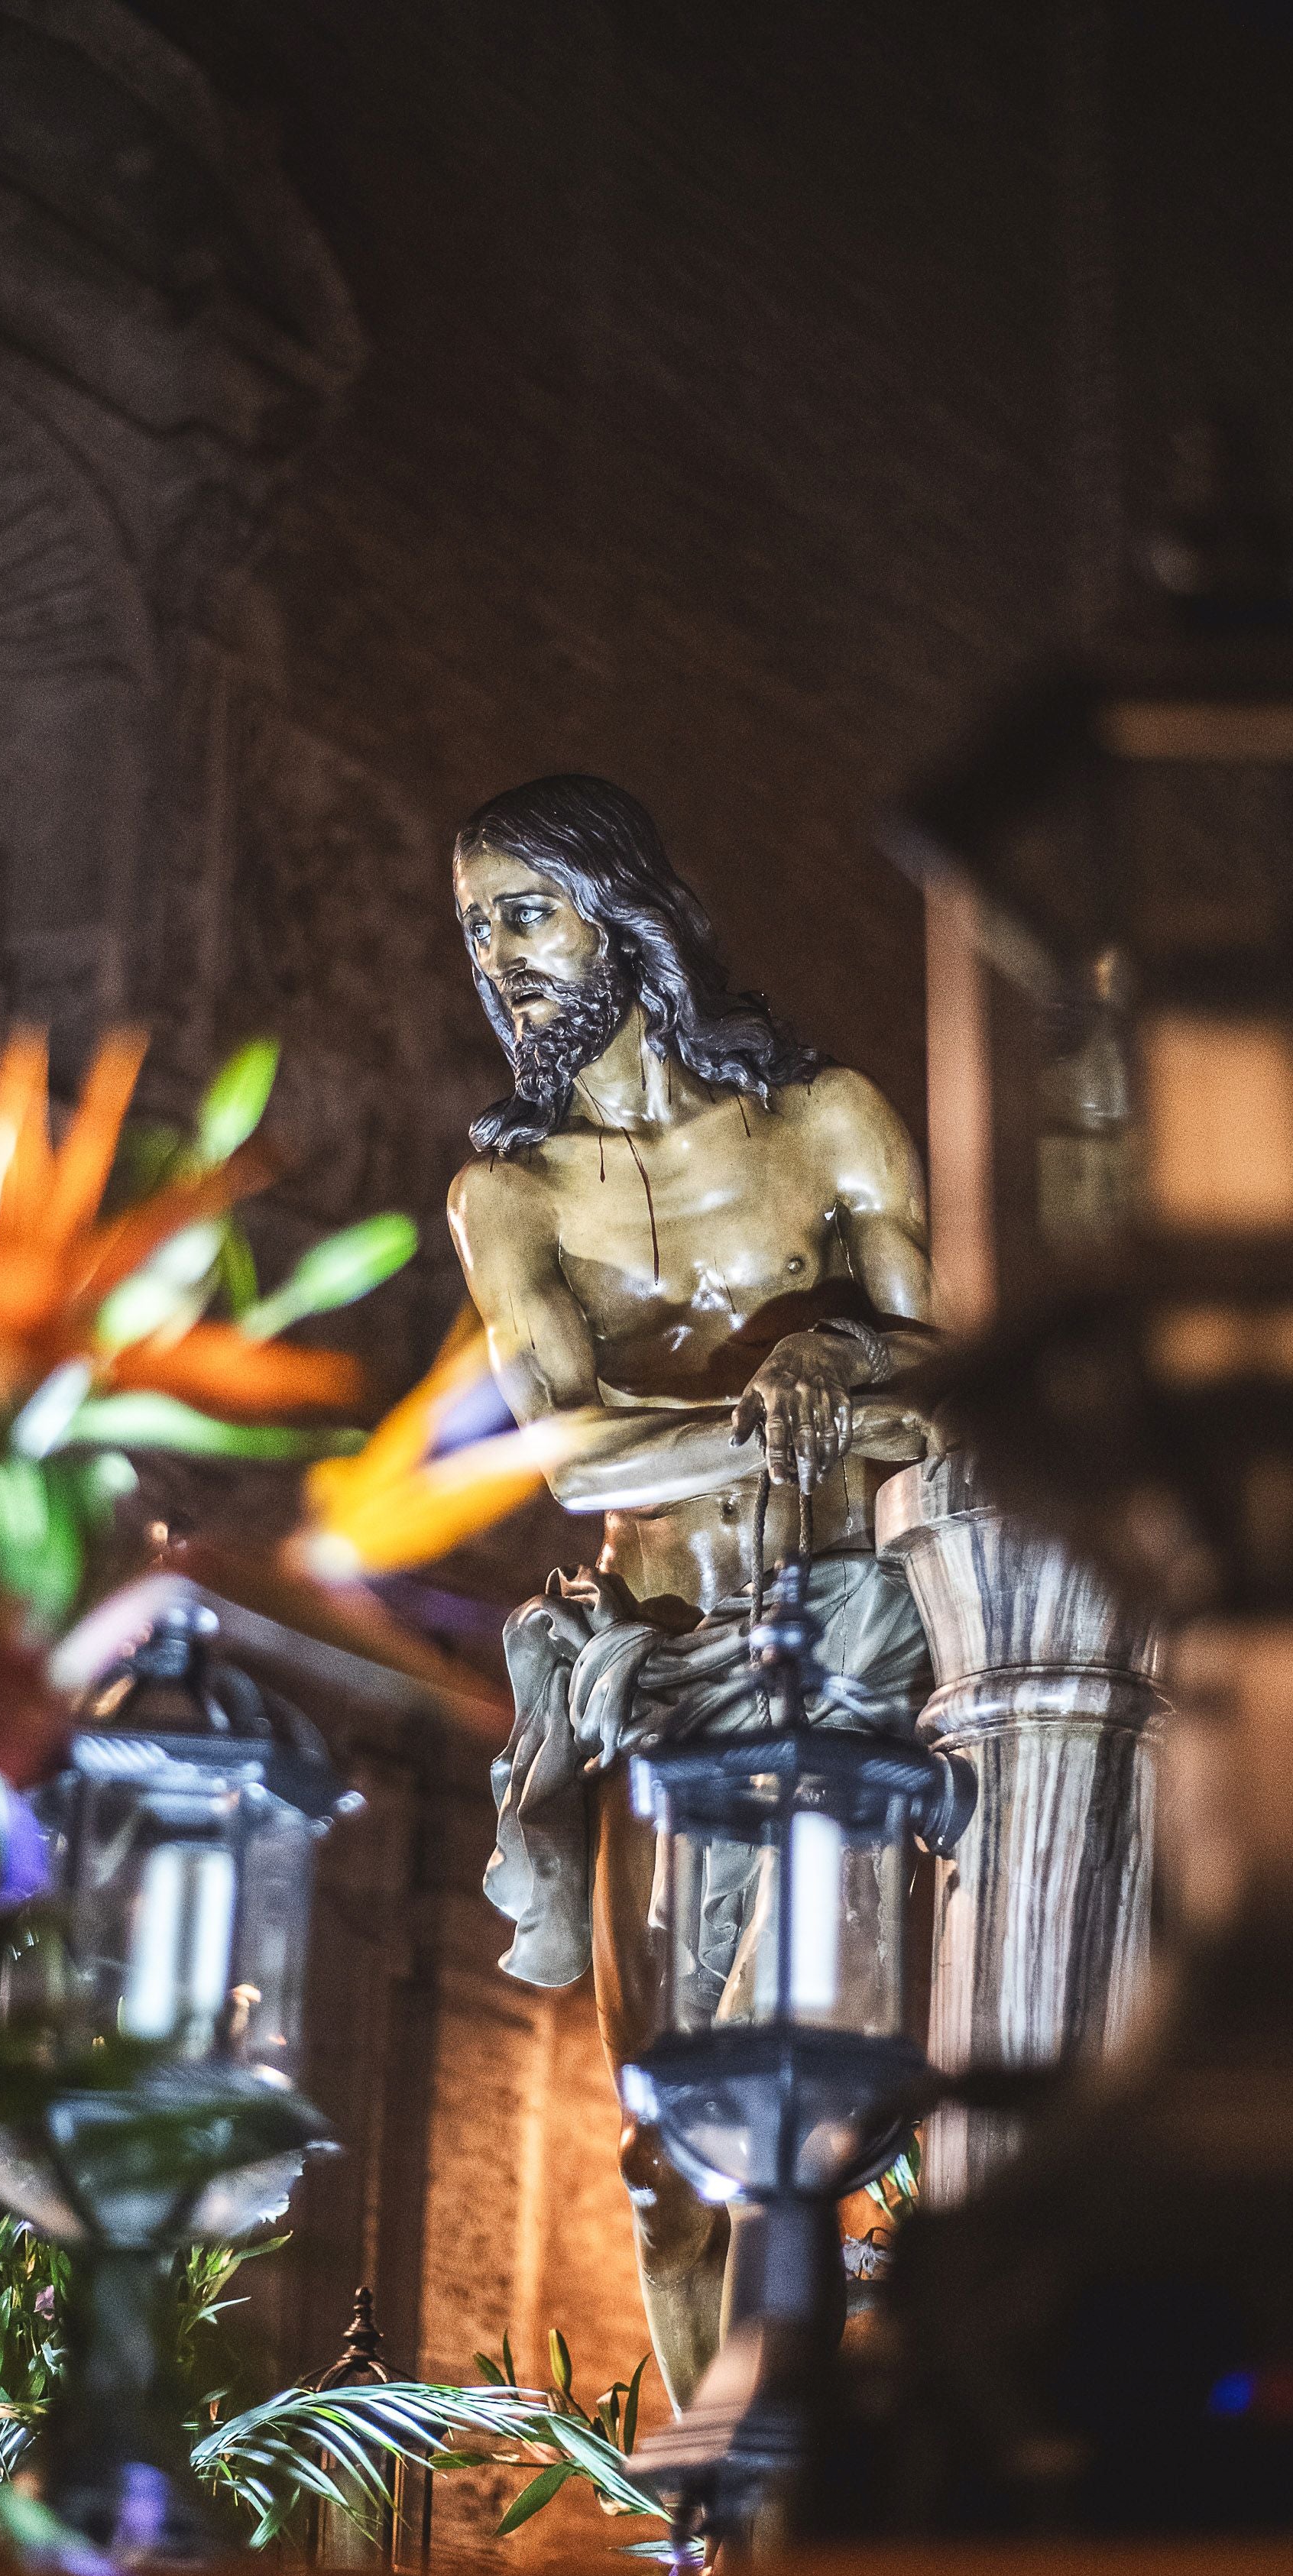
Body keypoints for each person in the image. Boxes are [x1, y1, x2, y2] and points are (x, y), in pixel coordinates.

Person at [446, 774, 935, 2406]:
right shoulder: (507, 1197)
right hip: (659, 1683)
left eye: (522, 911)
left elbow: (955, 1376)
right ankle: (712, 2560)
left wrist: (845, 1342)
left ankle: (871, 2506)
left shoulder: (826, 1119)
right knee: (667, 2167)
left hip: (862, 1655)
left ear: (618, 905)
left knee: (881, 2127)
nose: (496, 956)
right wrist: (787, 1414)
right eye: (473, 931)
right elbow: (574, 1458)